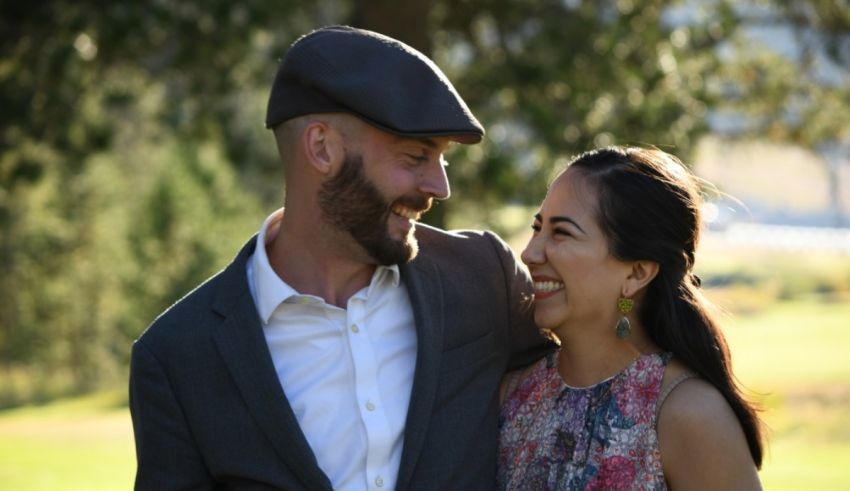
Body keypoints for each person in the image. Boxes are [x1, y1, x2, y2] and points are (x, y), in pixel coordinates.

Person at [129, 25, 552, 491]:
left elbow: (607, 369)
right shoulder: (177, 355)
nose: (439, 188)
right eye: (414, 157)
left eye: (442, 161)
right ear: (322, 147)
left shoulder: (484, 276)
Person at [498, 146, 764, 490]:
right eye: (538, 228)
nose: (530, 253)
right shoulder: (513, 393)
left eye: (561, 233)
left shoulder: (688, 413)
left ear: (636, 273)